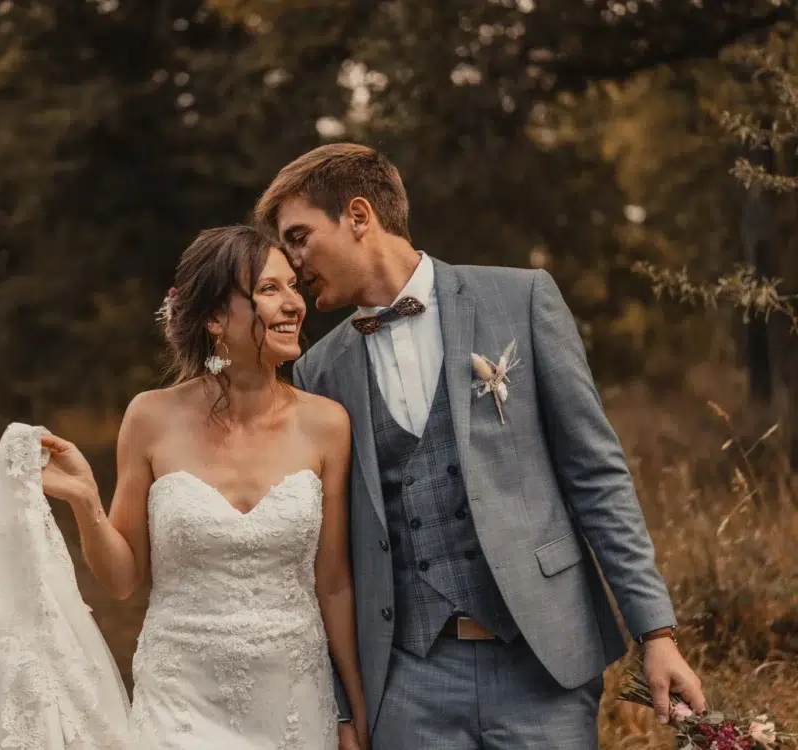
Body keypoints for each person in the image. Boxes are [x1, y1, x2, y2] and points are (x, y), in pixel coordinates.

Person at [252, 143, 706, 750]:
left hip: (542, 664)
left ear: (359, 216)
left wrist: (657, 633)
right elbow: (319, 559)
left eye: (300, 236)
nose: (294, 262)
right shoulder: (316, 372)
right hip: (407, 678)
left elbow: (597, 477)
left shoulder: (520, 300)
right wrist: (339, 698)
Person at [37, 225, 368, 749]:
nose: (294, 305)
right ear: (215, 318)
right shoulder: (149, 417)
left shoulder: (328, 425)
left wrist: (353, 707)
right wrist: (85, 504)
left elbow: (333, 583)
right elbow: (123, 579)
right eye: (268, 290)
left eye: (293, 287)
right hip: (178, 702)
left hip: (293, 703)